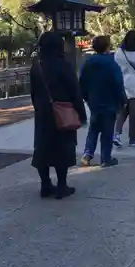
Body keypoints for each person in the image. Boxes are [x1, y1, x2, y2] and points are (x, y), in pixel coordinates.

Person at [30, 31, 87, 199]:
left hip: (42, 113)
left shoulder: (37, 65)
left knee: (42, 148)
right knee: (63, 148)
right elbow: (74, 91)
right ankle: (62, 185)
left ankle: (45, 184)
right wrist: (81, 113)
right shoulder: (64, 65)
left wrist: (39, 108)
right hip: (62, 111)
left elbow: (33, 93)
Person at [79, 35, 125, 167]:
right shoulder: (112, 63)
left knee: (93, 129)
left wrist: (86, 97)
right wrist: (122, 100)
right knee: (107, 131)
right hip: (110, 102)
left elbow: (82, 82)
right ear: (107, 47)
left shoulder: (88, 62)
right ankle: (106, 158)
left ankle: (88, 154)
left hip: (94, 101)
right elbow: (118, 83)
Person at [114, 30, 135, 147]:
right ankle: (132, 138)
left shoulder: (119, 52)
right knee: (134, 113)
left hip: (121, 83)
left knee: (122, 111)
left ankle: (116, 134)